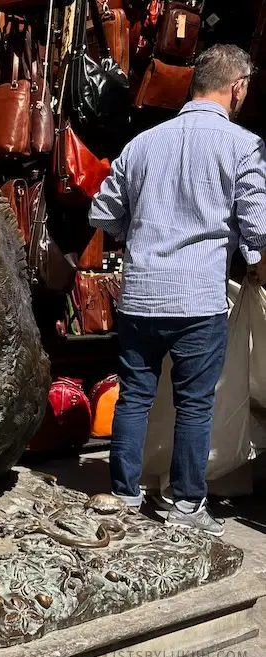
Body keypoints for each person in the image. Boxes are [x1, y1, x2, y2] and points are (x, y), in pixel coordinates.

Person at [89, 44, 266, 536]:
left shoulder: (143, 144)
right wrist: (254, 266)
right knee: (194, 403)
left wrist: (140, 233)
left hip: (142, 294)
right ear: (238, 88)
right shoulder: (243, 146)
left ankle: (124, 495)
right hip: (198, 299)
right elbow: (258, 230)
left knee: (135, 397)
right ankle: (186, 506)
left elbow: (103, 214)